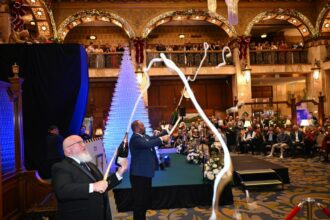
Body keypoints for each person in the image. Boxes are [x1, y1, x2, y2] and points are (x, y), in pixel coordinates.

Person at [52, 135, 128, 220]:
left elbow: (103, 185)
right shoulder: (61, 167)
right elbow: (63, 191)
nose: (84, 145)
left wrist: (119, 173)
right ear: (68, 150)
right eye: (79, 143)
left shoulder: (90, 165)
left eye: (83, 142)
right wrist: (93, 187)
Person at [129, 120, 170, 220]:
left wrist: (165, 131)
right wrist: (161, 139)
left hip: (145, 174)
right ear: (137, 128)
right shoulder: (135, 139)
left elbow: (152, 138)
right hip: (138, 175)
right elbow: (148, 144)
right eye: (142, 126)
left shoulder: (144, 136)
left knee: (144, 201)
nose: (144, 127)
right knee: (139, 202)